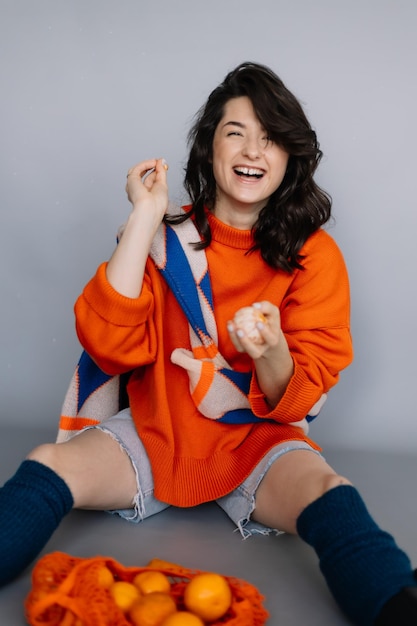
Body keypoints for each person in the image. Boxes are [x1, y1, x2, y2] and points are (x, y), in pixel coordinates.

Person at [0, 62, 416, 625]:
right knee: (50, 464)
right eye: (236, 132)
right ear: (210, 147)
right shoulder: (166, 239)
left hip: (257, 443)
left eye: (270, 138)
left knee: (327, 490)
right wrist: (145, 217)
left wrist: (271, 349)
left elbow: (300, 399)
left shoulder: (314, 256)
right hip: (157, 430)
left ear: (289, 157)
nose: (253, 150)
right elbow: (108, 344)